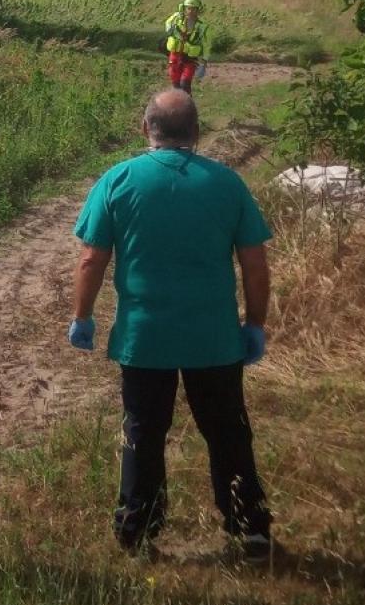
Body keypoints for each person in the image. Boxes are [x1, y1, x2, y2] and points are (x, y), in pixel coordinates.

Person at [67, 89, 274, 558]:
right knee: (227, 431)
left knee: (142, 431)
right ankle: (250, 528)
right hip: (214, 339)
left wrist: (82, 317)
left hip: (146, 339)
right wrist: (255, 322)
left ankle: (137, 530)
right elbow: (255, 263)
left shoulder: (118, 180)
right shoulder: (226, 184)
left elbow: (90, 259)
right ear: (197, 133)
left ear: (146, 130)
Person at [163, 0, 211, 93]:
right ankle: (177, 105)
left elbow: (206, 45)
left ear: (198, 10)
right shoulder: (176, 18)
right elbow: (167, 24)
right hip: (175, 55)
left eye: (194, 9)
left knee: (185, 84)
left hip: (190, 58)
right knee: (175, 84)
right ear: (184, 8)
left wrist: (204, 64)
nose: (191, 11)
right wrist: (173, 31)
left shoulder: (202, 27)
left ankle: (188, 105)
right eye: (188, 8)